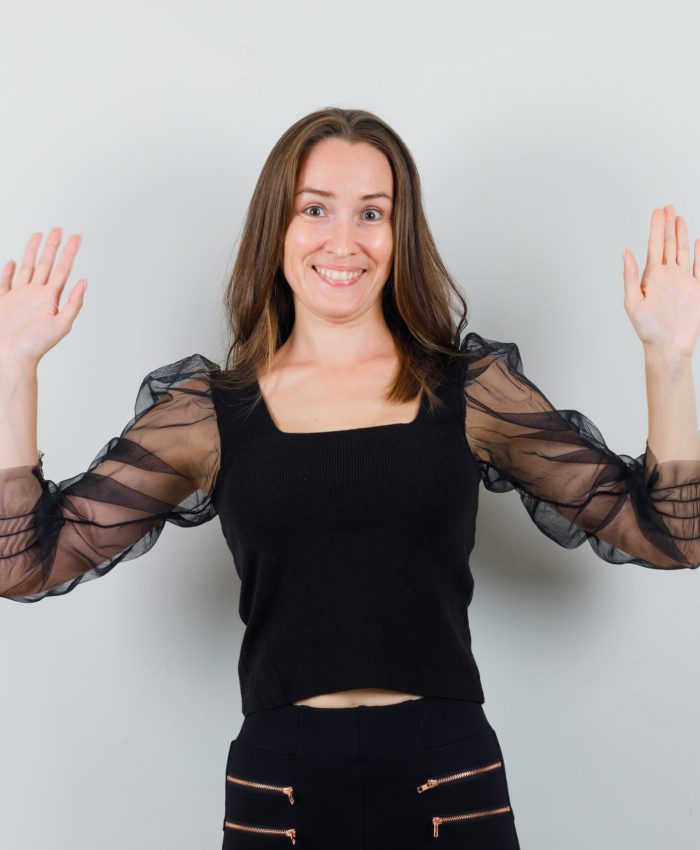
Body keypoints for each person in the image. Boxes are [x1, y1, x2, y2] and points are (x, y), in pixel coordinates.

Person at [1, 106, 699, 850]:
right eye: (315, 209)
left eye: (373, 212)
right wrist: (15, 366)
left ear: (401, 235)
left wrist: (670, 357)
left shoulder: (470, 392)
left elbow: (669, 535)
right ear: (278, 228)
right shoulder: (210, 413)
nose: (344, 240)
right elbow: (22, 562)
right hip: (282, 787)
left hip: (448, 776)